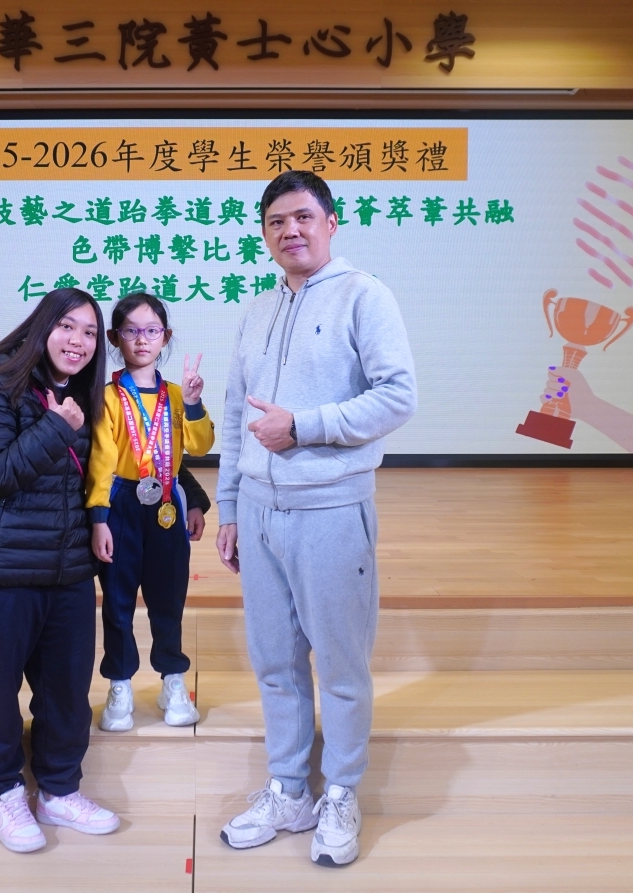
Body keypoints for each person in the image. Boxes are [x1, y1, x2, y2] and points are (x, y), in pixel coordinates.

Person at [215, 171, 417, 867]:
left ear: (331, 222)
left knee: (340, 665)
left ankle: (342, 792)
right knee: (274, 663)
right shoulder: (257, 309)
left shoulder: (365, 295)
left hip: (331, 509)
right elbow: (237, 414)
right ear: (264, 233)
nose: (290, 230)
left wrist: (304, 425)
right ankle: (289, 790)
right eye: (276, 221)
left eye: (303, 216)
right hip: (259, 514)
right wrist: (230, 506)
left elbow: (397, 395)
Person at [0, 288, 120, 854]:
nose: (79, 341)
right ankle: (3, 793)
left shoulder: (83, 396)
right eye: (67, 327)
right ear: (41, 328)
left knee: (67, 690)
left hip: (67, 571)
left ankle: (59, 790)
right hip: (1, 572)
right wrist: (55, 428)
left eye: (90, 333)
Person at [87, 293, 215, 731]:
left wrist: (194, 403)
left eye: (152, 330)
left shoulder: (176, 395)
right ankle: (120, 683)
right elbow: (101, 461)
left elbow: (199, 446)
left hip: (166, 506)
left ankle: (172, 679)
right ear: (114, 338)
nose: (142, 339)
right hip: (121, 503)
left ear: (166, 336)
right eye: (131, 330)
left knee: (168, 597)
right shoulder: (107, 397)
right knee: (117, 601)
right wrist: (99, 518)